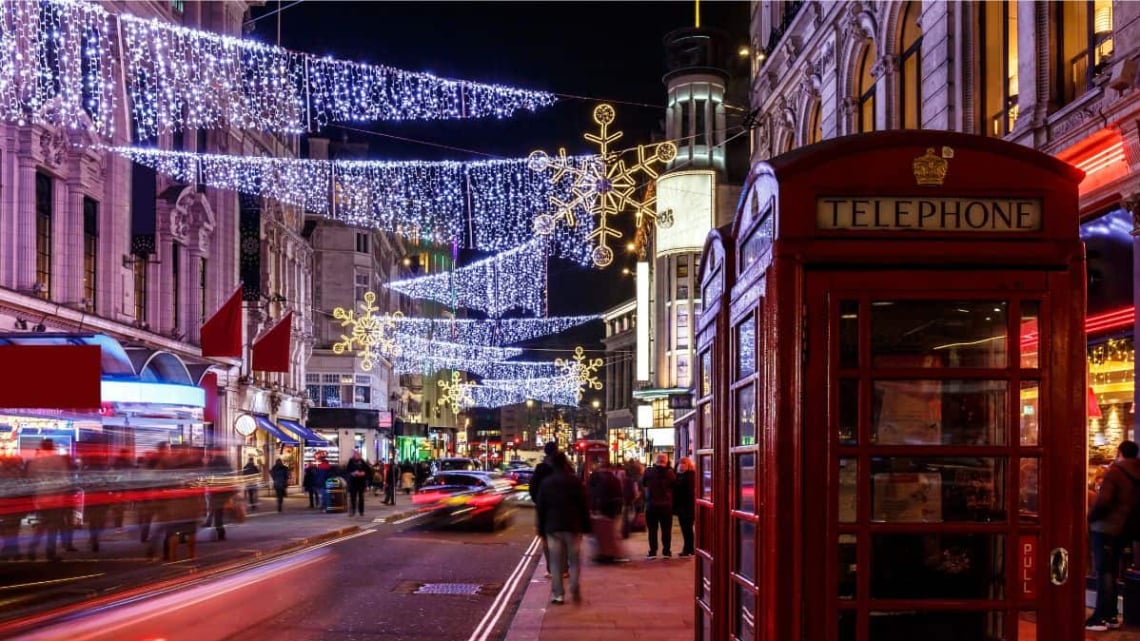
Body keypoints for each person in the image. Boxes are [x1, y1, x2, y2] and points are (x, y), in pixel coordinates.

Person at [1087, 440, 1140, 630]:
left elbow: (1103, 502)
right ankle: (1111, 616)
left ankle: (1101, 617)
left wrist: (1090, 517)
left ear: (1119, 453)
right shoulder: (1137, 473)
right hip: (1125, 530)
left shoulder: (1115, 472)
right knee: (1113, 571)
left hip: (1105, 528)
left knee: (1104, 572)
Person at [535, 451, 590, 606]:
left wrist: (541, 529)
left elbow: (541, 508)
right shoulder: (575, 481)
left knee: (555, 562)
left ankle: (558, 595)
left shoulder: (546, 483)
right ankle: (574, 586)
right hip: (573, 526)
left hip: (553, 527)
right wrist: (586, 525)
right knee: (574, 560)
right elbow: (583, 505)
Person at [26, 439, 70, 561]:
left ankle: (32, 549)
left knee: (41, 524)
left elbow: (30, 478)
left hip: (40, 496)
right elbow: (64, 478)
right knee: (53, 526)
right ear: (52, 447)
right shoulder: (58, 459)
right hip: (55, 496)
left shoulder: (35, 461)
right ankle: (50, 552)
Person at [587, 460, 627, 563]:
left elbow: (590, 492)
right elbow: (620, 494)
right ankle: (612, 554)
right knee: (613, 533)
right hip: (613, 509)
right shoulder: (615, 479)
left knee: (599, 533)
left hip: (600, 508)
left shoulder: (595, 477)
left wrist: (593, 507)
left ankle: (602, 553)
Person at [530, 441, 560, 577]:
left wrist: (539, 501)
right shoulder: (563, 467)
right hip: (561, 508)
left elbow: (532, 488)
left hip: (545, 508)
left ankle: (551, 569)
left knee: (547, 540)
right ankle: (562, 567)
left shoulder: (540, 468)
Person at [642, 452, 676, 559]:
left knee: (652, 530)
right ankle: (666, 551)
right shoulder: (670, 473)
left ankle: (653, 552)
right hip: (666, 506)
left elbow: (643, 483)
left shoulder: (648, 472)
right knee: (666, 530)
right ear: (666, 461)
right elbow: (674, 486)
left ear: (656, 461)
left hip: (651, 505)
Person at [674, 457, 696, 558]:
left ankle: (688, 549)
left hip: (688, 506)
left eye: (684, 463)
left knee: (687, 529)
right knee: (685, 529)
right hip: (682, 507)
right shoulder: (678, 476)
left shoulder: (690, 476)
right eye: (680, 463)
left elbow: (685, 491)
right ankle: (688, 548)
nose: (681, 465)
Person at [345, 449, 372, 517]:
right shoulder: (351, 461)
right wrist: (353, 473)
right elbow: (347, 470)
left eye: (359, 455)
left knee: (361, 497)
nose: (358, 456)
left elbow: (368, 470)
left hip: (361, 482)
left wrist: (364, 473)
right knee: (353, 497)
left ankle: (361, 511)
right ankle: (353, 511)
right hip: (353, 482)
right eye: (356, 454)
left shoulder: (362, 461)